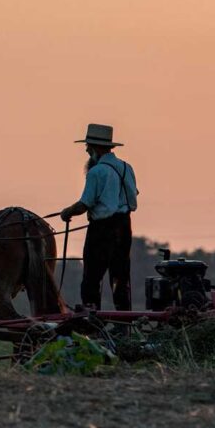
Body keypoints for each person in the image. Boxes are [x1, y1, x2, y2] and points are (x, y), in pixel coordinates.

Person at [60, 123, 138, 311]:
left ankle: (93, 322)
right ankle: (124, 326)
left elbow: (84, 204)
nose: (87, 150)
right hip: (124, 226)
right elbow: (133, 194)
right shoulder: (127, 168)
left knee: (91, 279)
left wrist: (66, 212)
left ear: (96, 148)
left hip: (102, 229)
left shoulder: (96, 172)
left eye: (88, 146)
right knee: (120, 278)